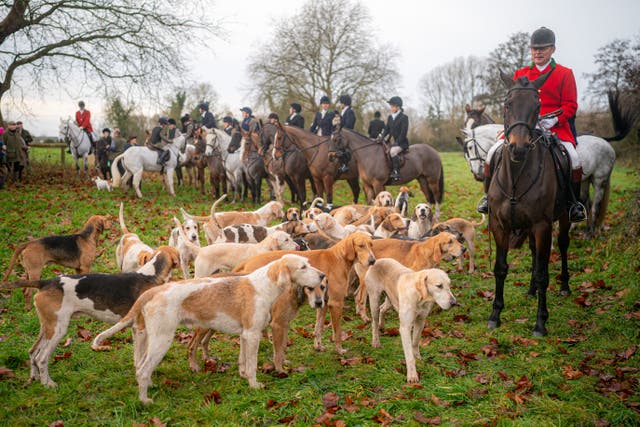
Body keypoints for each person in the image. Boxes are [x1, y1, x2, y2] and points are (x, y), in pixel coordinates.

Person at [476, 27, 586, 223]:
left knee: (574, 158)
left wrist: (553, 120)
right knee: (492, 152)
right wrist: (510, 124)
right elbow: (512, 103)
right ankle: (488, 198)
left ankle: (573, 204)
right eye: (534, 48)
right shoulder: (522, 73)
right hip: (523, 127)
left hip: (556, 128)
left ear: (552, 49)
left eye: (542, 48)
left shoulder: (564, 73)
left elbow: (571, 105)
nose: (538, 52)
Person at [380, 96, 409, 182]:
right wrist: (381, 138)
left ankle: (397, 172)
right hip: (392, 142)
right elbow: (386, 130)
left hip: (402, 143)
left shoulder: (404, 118)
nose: (391, 108)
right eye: (391, 106)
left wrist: (396, 142)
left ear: (398, 107)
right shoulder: (390, 117)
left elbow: (403, 133)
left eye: (392, 106)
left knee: (393, 151)